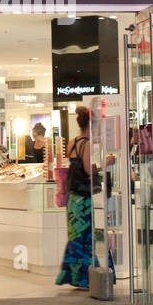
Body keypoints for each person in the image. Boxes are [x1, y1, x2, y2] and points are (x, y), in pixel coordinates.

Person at [56, 105, 96, 288]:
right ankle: (83, 277)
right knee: (86, 238)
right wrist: (105, 165)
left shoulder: (72, 142)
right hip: (84, 198)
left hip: (73, 197)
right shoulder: (87, 144)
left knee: (75, 236)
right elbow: (89, 170)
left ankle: (73, 276)